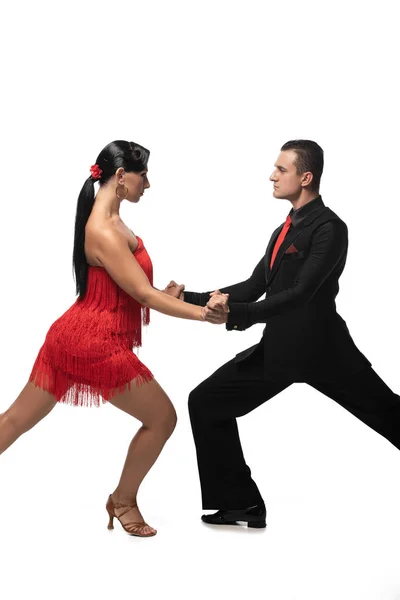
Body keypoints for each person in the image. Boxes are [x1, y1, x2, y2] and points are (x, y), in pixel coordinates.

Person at [167, 139, 400, 529]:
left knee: (390, 415)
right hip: (279, 352)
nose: (272, 176)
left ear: (305, 177)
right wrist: (188, 297)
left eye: (281, 169)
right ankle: (241, 503)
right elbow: (251, 286)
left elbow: (300, 294)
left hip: (325, 351)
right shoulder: (283, 229)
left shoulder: (330, 228)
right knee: (206, 402)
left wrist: (232, 316)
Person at [0, 139, 224, 538]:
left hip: (70, 336)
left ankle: (122, 499)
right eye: (144, 176)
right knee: (162, 418)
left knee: (15, 420)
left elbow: (131, 289)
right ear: (121, 176)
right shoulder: (102, 229)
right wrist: (200, 314)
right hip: (93, 343)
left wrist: (162, 298)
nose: (148, 185)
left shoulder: (112, 220)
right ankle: (123, 501)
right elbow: (141, 293)